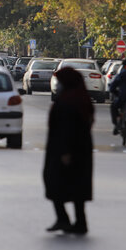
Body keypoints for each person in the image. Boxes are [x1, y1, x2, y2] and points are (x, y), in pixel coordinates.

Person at [43, 66, 94, 235]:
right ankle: (79, 222)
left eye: (60, 83)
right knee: (77, 186)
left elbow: (67, 129)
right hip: (81, 151)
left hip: (65, 151)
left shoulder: (68, 102)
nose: (58, 86)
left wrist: (65, 152)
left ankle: (64, 219)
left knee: (55, 181)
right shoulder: (81, 99)